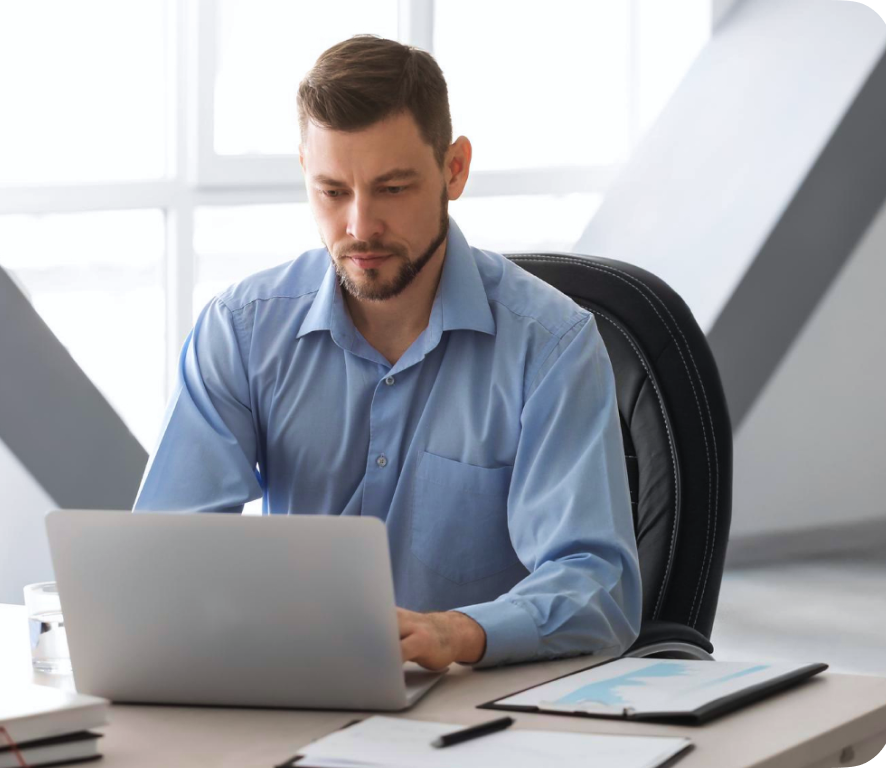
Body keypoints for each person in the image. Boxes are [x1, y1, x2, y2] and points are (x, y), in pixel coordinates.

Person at [133, 35, 641, 671]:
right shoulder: (240, 331)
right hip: (296, 689)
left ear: (454, 169)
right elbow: (166, 556)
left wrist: (458, 634)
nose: (360, 226)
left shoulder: (551, 345)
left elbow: (598, 585)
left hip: (472, 699)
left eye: (392, 188)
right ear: (304, 172)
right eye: (332, 192)